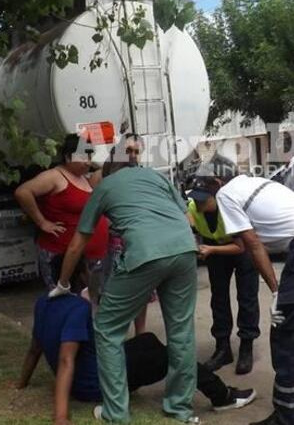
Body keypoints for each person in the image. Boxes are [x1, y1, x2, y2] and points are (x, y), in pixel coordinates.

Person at [51, 135, 200, 424]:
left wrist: (63, 283)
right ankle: (179, 407)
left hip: (145, 252)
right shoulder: (156, 178)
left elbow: (77, 243)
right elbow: (187, 217)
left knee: (107, 328)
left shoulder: (104, 186)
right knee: (181, 331)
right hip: (185, 249)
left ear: (108, 168)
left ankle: (115, 413)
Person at [212, 166, 294, 425]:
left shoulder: (225, 194)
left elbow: (252, 244)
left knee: (288, 331)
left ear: (218, 180)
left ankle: (288, 417)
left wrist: (276, 291)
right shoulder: (257, 182)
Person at [16, 291, 256, 425]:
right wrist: (61, 416)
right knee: (173, 356)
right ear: (80, 275)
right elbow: (67, 360)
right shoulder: (78, 308)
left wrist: (21, 382)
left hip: (96, 370)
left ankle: (178, 381)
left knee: (148, 340)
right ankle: (222, 397)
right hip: (96, 383)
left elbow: (35, 348)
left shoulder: (43, 303)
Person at [14, 134, 111, 301]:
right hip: (61, 257)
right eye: (83, 157)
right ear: (68, 157)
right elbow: (23, 192)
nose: (88, 162)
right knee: (64, 303)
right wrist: (42, 222)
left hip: (86, 260)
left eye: (90, 157)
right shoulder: (54, 176)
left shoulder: (84, 178)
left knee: (84, 304)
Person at [187, 176, 260, 375]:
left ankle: (246, 346)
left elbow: (240, 246)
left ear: (216, 197)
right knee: (218, 299)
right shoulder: (194, 207)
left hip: (242, 250)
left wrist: (210, 249)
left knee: (247, 298)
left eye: (204, 199)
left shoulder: (228, 206)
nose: (199, 202)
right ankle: (222, 348)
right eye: (197, 198)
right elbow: (192, 228)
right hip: (215, 250)